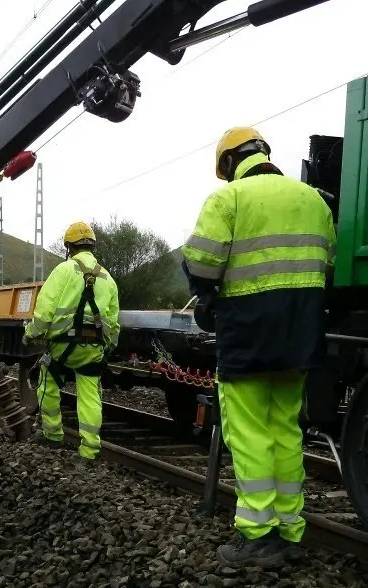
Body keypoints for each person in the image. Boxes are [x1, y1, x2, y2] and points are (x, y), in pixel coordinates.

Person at [181, 127, 336, 567]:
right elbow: (326, 263)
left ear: (229, 163)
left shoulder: (228, 200)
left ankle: (257, 535)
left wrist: (207, 298)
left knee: (248, 435)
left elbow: (202, 262)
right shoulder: (313, 200)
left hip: (247, 334)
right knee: (286, 430)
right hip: (301, 335)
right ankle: (290, 530)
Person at [22, 221, 120, 467]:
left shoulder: (64, 271)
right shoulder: (108, 278)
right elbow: (114, 321)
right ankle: (89, 450)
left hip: (62, 347)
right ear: (92, 245)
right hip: (93, 349)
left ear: (69, 246)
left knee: (47, 382)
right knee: (89, 396)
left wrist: (31, 333)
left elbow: (45, 310)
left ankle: (53, 435)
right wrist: (107, 348)